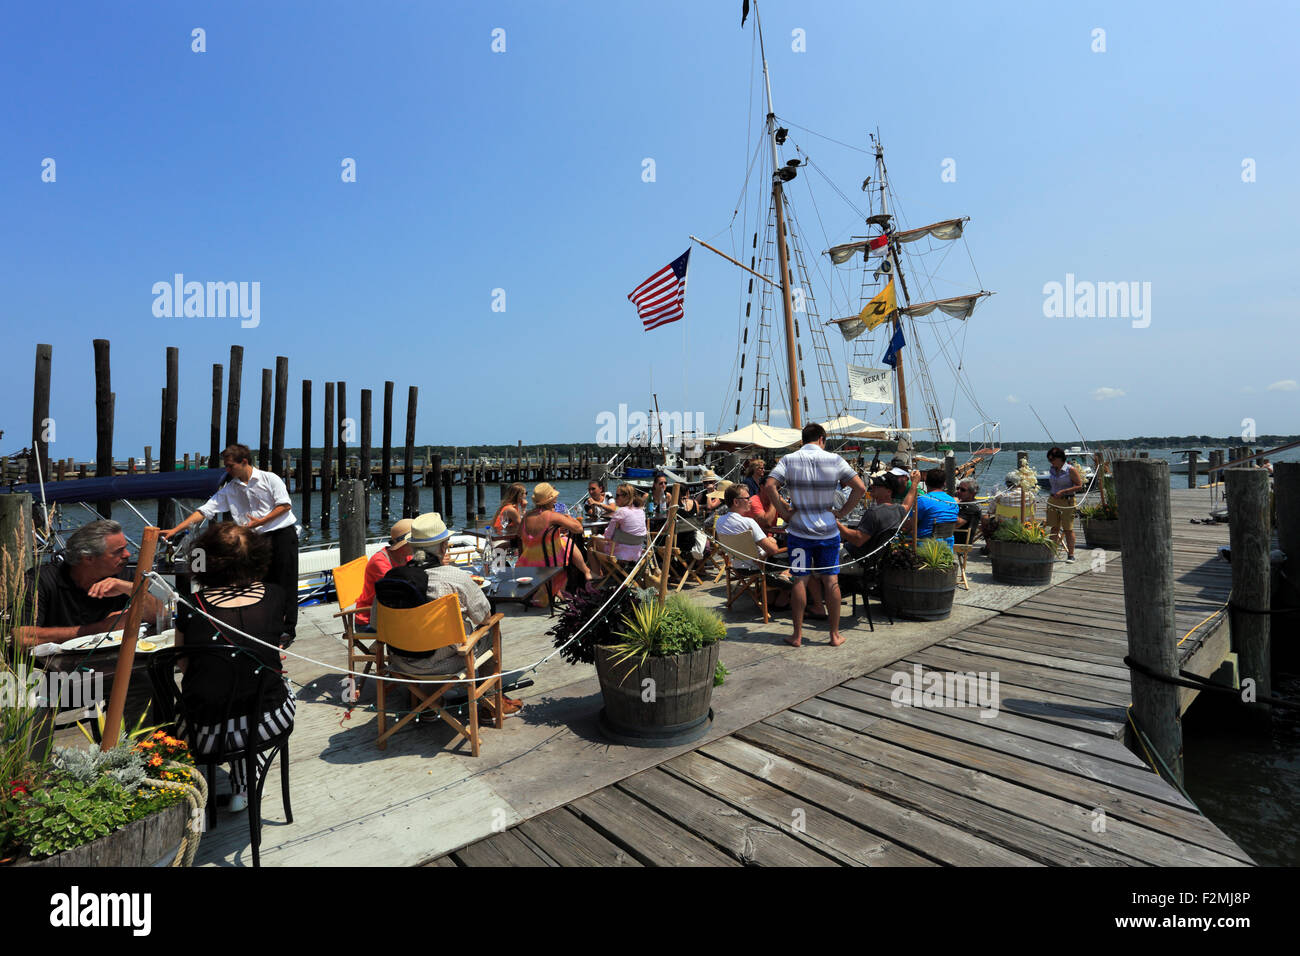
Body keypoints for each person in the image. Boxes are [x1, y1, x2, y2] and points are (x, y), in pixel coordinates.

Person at [174, 523, 294, 813]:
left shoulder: (190, 606)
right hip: (269, 722)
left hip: (205, 734)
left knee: (207, 699)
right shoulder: (275, 595)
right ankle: (243, 784)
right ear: (257, 557)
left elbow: (183, 664)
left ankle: (190, 791)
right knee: (257, 690)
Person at [373, 513, 522, 718]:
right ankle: (490, 703)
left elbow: (376, 624)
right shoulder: (455, 578)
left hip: (400, 663)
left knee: (428, 640)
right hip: (447, 664)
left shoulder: (392, 579)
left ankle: (426, 703)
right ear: (444, 547)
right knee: (491, 631)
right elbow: (485, 617)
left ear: (412, 547)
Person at [162, 443, 300, 644]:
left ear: (244, 462)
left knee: (285, 582)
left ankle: (287, 630)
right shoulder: (230, 489)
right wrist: (175, 530)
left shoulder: (270, 479)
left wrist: (260, 522)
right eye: (225, 466)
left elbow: (285, 505)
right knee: (259, 583)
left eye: (230, 466)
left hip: (281, 535)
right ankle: (267, 626)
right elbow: (205, 510)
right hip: (255, 540)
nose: (227, 470)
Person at [765, 423, 867, 648]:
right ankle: (834, 635)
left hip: (799, 532)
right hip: (828, 532)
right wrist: (842, 512)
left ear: (803, 440)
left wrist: (784, 513)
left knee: (799, 579)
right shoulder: (835, 460)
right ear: (822, 439)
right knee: (831, 580)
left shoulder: (789, 460)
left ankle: (797, 635)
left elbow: (770, 485)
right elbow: (860, 488)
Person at [18, 519, 161, 648]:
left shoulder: (123, 576)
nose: (127, 554)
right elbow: (21, 637)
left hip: (112, 660)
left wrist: (130, 589)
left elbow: (160, 615)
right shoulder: (40, 580)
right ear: (88, 558)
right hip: (54, 665)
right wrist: (102, 628)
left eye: (125, 547)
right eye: (118, 551)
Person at [518, 482, 590, 605]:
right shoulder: (552, 516)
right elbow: (578, 529)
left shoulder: (527, 515)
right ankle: (586, 571)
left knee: (564, 541)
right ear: (548, 499)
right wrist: (569, 518)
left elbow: (519, 534)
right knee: (567, 541)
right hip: (549, 562)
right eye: (553, 496)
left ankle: (558, 591)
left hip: (526, 562)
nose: (556, 497)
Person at [353, 519, 414, 632]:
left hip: (390, 614)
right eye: (415, 541)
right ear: (404, 544)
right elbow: (398, 591)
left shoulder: (407, 556)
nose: (418, 544)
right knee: (418, 628)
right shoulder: (380, 562)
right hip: (370, 620)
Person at [838, 475, 912, 561]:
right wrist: (914, 483)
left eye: (878, 486)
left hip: (853, 557)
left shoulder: (874, 512)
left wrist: (836, 524)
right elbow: (907, 504)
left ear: (889, 492)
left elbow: (858, 539)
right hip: (872, 559)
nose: (872, 486)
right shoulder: (898, 510)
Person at [593, 483, 649, 565]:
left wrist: (598, 536)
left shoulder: (621, 511)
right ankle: (610, 570)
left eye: (617, 495)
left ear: (626, 497)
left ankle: (596, 572)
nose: (615, 498)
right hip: (637, 553)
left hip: (620, 554)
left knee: (593, 542)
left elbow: (608, 536)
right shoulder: (641, 511)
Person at [1044, 447, 1084, 562]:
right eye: (1049, 460)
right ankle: (1051, 553)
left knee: (1068, 529)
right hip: (1053, 500)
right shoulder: (1052, 469)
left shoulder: (1070, 470)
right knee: (1053, 528)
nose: (1051, 462)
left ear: (1060, 458)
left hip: (1067, 501)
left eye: (1052, 459)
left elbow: (1079, 485)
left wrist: (1063, 491)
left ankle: (1071, 554)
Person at [982, 470, 1041, 547]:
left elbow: (990, 511)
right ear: (1020, 482)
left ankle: (989, 547)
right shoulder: (1030, 495)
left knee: (984, 519)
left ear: (1007, 483)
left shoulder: (1000, 496)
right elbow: (1033, 511)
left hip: (1004, 526)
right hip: (1025, 526)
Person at [908, 468, 959, 549]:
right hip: (947, 547)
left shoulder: (922, 501)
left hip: (924, 548)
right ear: (944, 483)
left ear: (925, 482)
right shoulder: (953, 502)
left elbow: (908, 525)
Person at [954, 478, 983, 546]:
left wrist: (953, 505)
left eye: (962, 490)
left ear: (972, 493)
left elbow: (956, 524)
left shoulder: (972, 507)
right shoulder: (963, 503)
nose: (958, 491)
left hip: (958, 542)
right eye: (957, 488)